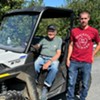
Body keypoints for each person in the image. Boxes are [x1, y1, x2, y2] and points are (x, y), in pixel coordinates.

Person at [66, 11, 100, 100]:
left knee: (85, 84)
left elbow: (99, 43)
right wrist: (68, 59)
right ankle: (70, 98)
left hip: (86, 62)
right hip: (74, 61)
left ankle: (82, 98)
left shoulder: (94, 31)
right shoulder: (74, 31)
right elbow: (71, 44)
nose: (83, 20)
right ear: (79, 19)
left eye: (85, 18)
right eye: (81, 18)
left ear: (88, 19)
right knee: (71, 83)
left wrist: (92, 54)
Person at [34, 24, 62, 100]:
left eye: (52, 31)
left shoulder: (58, 40)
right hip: (42, 57)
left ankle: (46, 85)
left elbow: (58, 53)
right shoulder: (44, 39)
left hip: (53, 58)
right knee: (35, 65)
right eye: (49, 31)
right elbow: (38, 45)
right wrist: (34, 46)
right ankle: (34, 82)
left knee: (54, 68)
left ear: (55, 32)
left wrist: (49, 62)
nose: (50, 33)